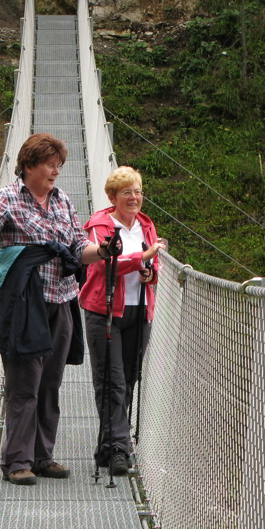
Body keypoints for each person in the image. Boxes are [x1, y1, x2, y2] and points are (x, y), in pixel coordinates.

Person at [0, 133, 113, 486]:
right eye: (49, 165)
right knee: (24, 383)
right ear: (28, 165)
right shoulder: (9, 197)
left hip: (61, 300)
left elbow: (77, 246)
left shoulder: (63, 200)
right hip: (24, 303)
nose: (55, 172)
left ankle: (42, 456)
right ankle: (17, 461)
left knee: (50, 383)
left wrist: (101, 251)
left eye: (59, 166)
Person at [79, 166, 165, 476]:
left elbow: (154, 268)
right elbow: (104, 265)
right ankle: (119, 449)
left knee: (128, 379)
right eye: (126, 192)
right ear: (112, 197)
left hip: (139, 311)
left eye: (138, 191)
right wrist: (140, 260)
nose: (134, 197)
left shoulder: (146, 226)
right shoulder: (101, 227)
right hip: (104, 312)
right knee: (111, 381)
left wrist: (150, 272)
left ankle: (108, 445)